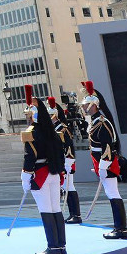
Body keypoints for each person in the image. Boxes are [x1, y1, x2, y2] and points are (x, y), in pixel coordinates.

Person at [22, 84, 67, 254]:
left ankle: (52, 247)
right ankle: (61, 246)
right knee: (56, 208)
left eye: (27, 115)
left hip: (40, 173)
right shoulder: (53, 132)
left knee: (45, 209)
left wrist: (25, 176)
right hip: (54, 173)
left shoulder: (31, 132)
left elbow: (29, 156)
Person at [82, 80, 127, 240]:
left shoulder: (101, 123)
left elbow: (107, 147)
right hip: (102, 163)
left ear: (93, 105)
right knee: (112, 193)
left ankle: (120, 228)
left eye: (85, 105)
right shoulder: (95, 122)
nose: (83, 107)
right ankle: (120, 228)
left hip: (106, 163)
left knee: (113, 193)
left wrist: (103, 166)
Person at [49, 96, 82, 224]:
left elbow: (69, 146)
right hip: (61, 162)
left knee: (69, 187)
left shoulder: (62, 128)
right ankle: (73, 213)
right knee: (65, 186)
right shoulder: (55, 129)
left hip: (66, 161)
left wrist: (68, 161)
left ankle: (76, 214)